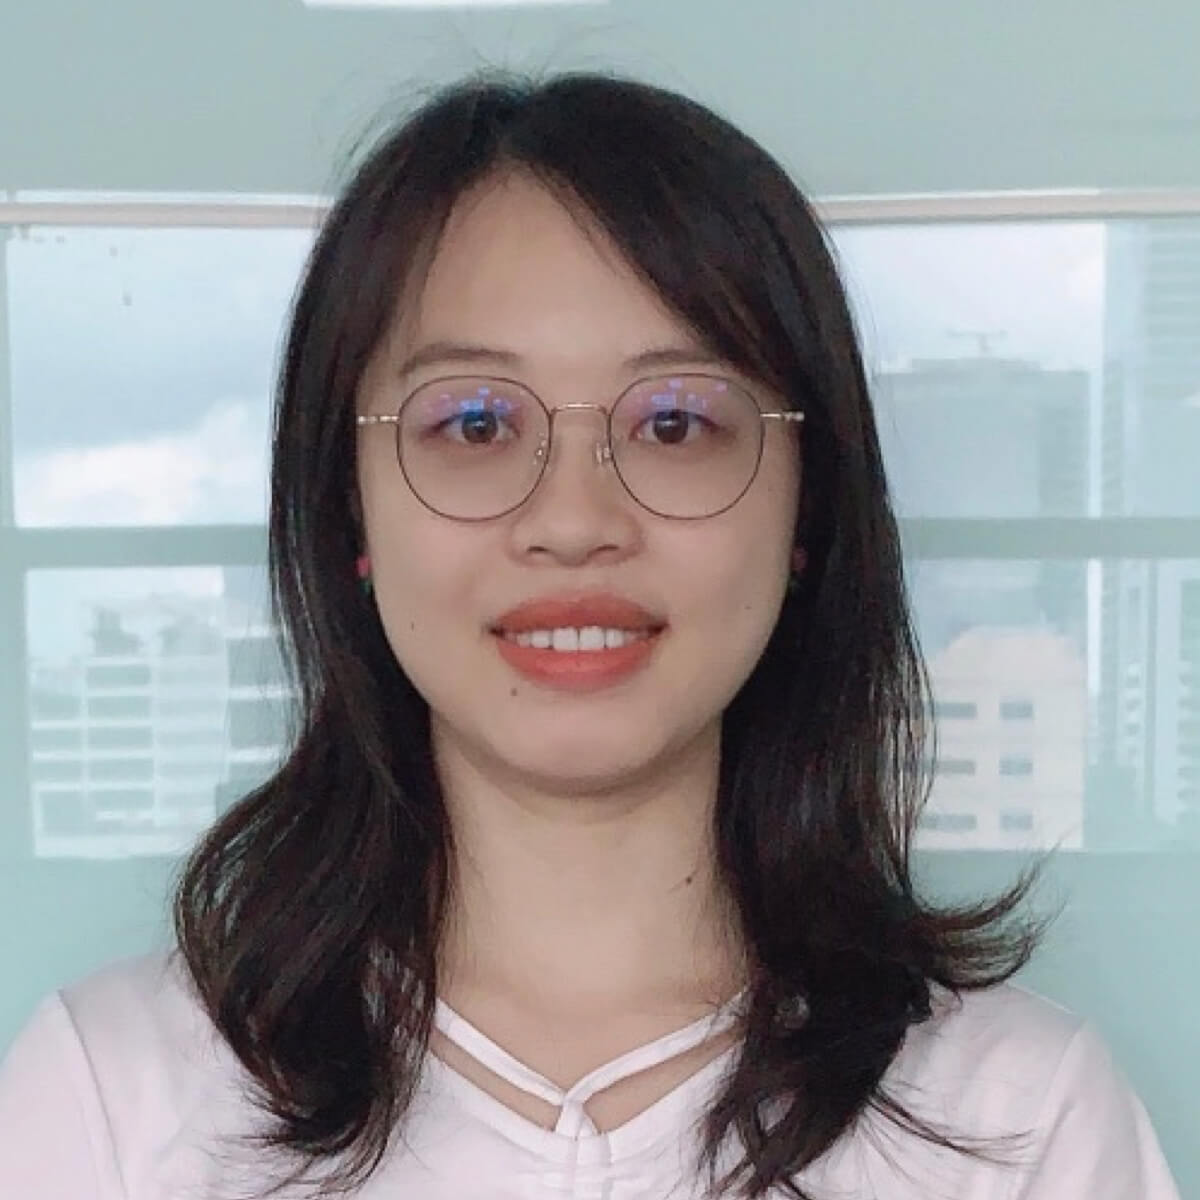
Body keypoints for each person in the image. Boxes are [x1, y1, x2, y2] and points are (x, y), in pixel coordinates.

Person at [0, 71, 1182, 1200]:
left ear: (807, 509)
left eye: (675, 422)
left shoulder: (1019, 1121)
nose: (573, 522)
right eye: (474, 423)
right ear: (348, 507)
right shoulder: (116, 1104)